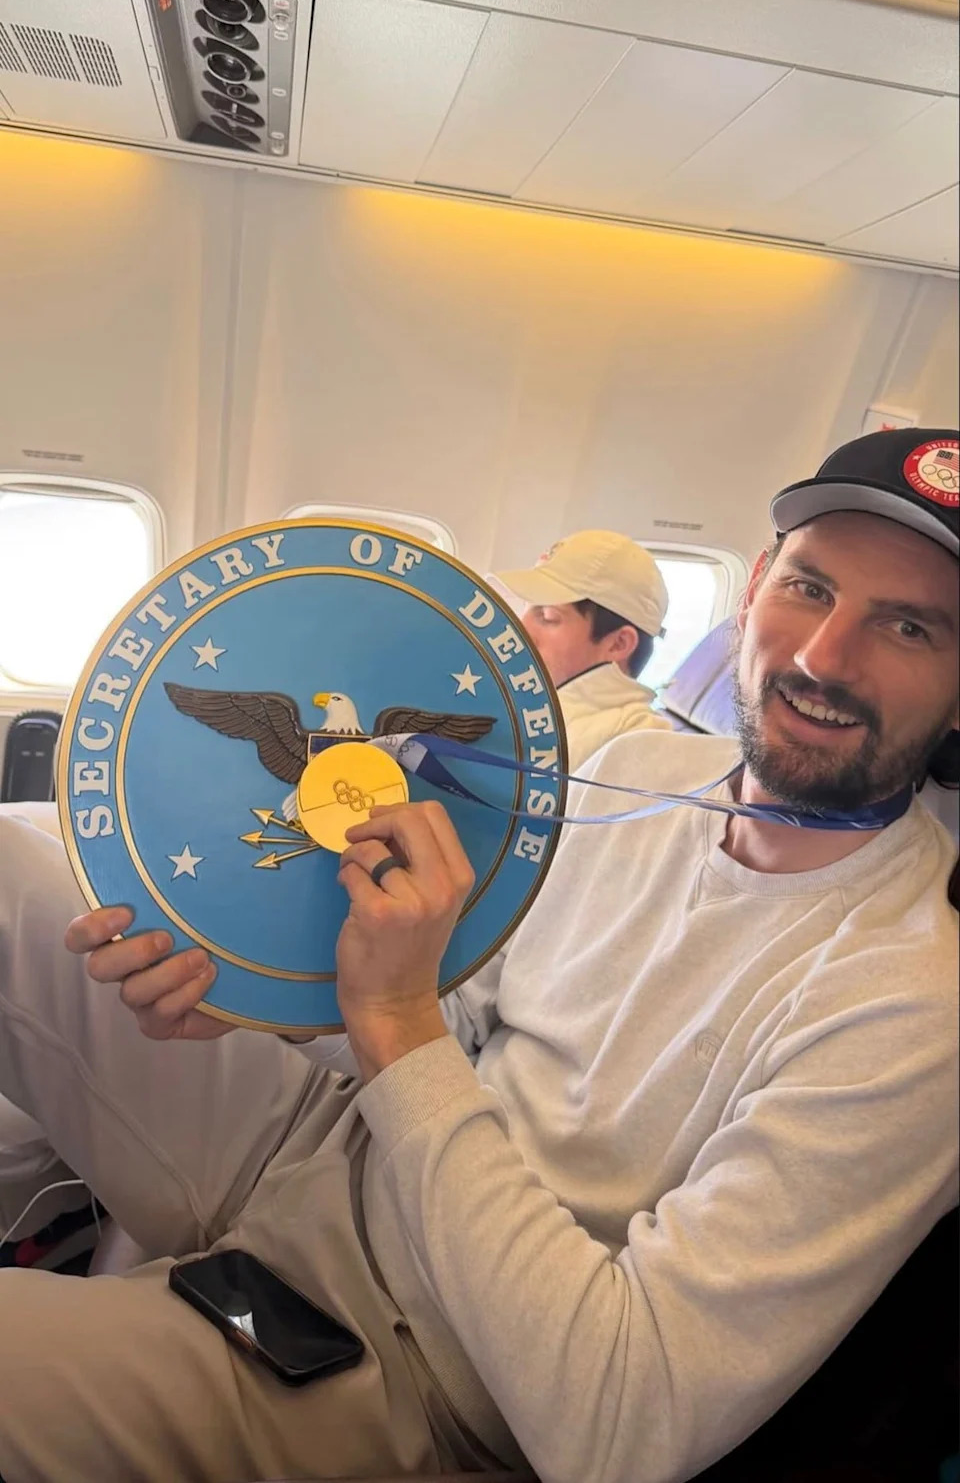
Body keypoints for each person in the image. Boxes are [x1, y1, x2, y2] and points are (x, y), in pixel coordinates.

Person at [0, 428, 958, 1483]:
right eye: (810, 589)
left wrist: (396, 1026)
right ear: (751, 599)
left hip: (406, 1362)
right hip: (326, 1157)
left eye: (908, 627)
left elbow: (623, 1424)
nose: (825, 657)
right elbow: (455, 1021)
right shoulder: (643, 772)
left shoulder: (913, 1003)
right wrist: (246, 1000)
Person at [497, 529, 671, 769]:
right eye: (527, 608)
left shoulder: (642, 747)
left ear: (618, 644)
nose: (520, 630)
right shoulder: (534, 710)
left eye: (548, 617)